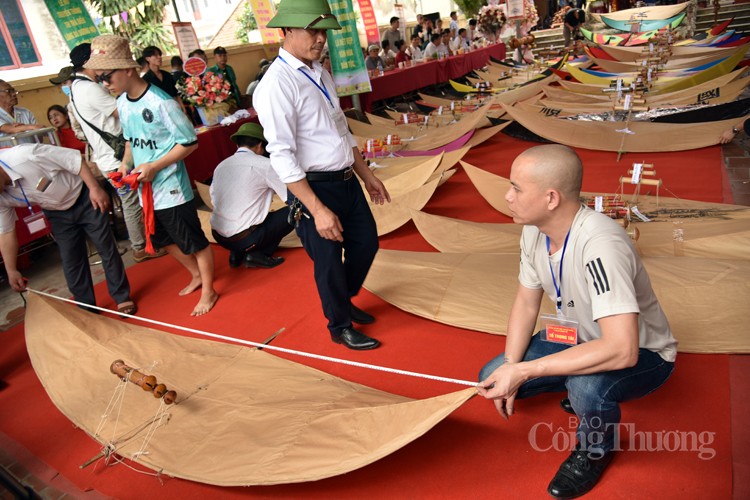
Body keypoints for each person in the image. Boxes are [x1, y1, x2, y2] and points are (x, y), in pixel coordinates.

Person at [477, 145, 677, 499]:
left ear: (551, 197)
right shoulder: (533, 230)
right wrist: (511, 366)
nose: (507, 197)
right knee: (492, 374)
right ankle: (573, 378)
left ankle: (595, 448)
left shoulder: (601, 245)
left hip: (644, 354)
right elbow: (526, 301)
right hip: (580, 337)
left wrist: (526, 371)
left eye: (516, 188)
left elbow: (622, 350)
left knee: (586, 389)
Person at [254, 0, 391, 350]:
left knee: (366, 243)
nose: (320, 39)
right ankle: (339, 325)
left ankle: (341, 299)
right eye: (312, 31)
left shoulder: (320, 72)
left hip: (345, 178)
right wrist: (316, 208)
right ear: (285, 32)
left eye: (323, 32)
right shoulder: (276, 85)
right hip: (312, 187)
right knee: (328, 261)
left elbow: (340, 129)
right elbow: (281, 154)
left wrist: (366, 175)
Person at [85, 35, 218, 316]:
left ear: (128, 69)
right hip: (145, 189)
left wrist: (155, 166)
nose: (104, 84)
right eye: (99, 78)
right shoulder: (122, 102)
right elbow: (132, 141)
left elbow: (189, 142)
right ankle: (195, 274)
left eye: (106, 76)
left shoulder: (161, 102)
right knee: (161, 241)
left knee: (193, 240)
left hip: (171, 187)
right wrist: (125, 165)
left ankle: (209, 289)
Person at [0, 143, 136, 315]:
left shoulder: (25, 155)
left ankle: (122, 297)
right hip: (56, 212)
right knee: (71, 259)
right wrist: (11, 270)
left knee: (106, 247)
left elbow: (75, 159)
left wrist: (94, 188)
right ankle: (87, 308)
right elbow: (5, 232)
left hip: (84, 197)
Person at [68, 42, 163, 264]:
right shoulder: (89, 88)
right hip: (116, 155)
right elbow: (120, 112)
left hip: (108, 154)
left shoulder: (77, 87)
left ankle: (146, 241)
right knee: (131, 201)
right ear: (87, 63)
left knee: (132, 199)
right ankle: (140, 246)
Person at [209, 123, 293, 269]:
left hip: (219, 236)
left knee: (256, 215)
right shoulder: (265, 165)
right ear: (260, 146)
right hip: (246, 238)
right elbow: (289, 197)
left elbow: (213, 198)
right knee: (295, 210)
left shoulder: (221, 166)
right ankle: (256, 254)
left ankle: (236, 253)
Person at [48, 66, 86, 142]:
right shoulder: (71, 105)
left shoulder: (88, 96)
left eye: (65, 83)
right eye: (62, 84)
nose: (63, 87)